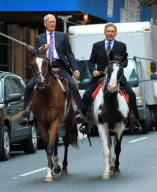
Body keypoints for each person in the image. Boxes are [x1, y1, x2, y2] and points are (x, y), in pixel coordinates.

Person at [19, 14, 85, 126]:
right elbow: (35, 55)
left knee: (72, 84)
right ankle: (26, 112)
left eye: (54, 22)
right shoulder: (38, 38)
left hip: (60, 66)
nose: (53, 24)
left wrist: (75, 69)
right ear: (45, 23)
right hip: (44, 67)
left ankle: (78, 111)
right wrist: (41, 49)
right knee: (30, 86)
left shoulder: (62, 36)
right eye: (50, 22)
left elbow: (69, 54)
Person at [80, 22, 142, 134]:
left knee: (131, 94)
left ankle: (134, 121)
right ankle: (86, 121)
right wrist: (93, 70)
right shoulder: (97, 45)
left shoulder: (121, 45)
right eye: (108, 31)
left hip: (117, 77)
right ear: (104, 32)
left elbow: (125, 62)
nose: (110, 33)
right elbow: (91, 62)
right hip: (100, 77)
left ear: (115, 33)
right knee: (86, 95)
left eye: (112, 31)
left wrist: (120, 64)